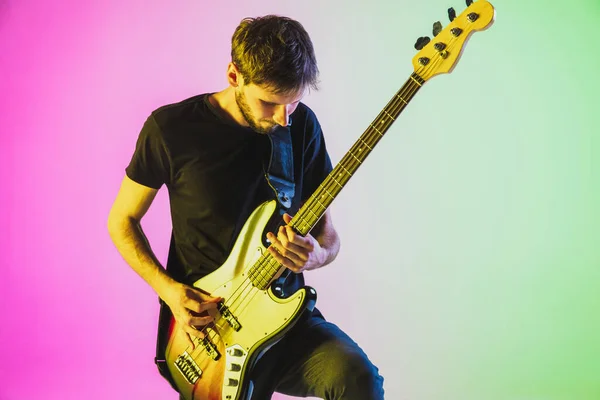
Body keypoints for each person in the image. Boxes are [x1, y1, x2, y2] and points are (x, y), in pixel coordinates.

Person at [107, 14, 384, 400]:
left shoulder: (301, 126)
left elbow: (328, 235)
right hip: (207, 333)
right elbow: (123, 220)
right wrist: (169, 292)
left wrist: (315, 255)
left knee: (360, 380)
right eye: (269, 103)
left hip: (285, 322)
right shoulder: (171, 129)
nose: (282, 117)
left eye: (293, 103)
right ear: (234, 75)